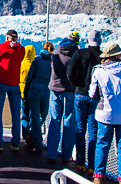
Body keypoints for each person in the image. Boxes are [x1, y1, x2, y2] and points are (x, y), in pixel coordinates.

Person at [90, 42, 121, 184]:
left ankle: (98, 176)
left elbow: (93, 94)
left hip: (105, 114)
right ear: (119, 55)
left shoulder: (99, 70)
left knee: (102, 144)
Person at [67, 30, 102, 175]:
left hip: (80, 94)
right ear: (99, 41)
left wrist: (77, 85)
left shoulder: (80, 54)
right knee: (93, 131)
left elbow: (69, 72)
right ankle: (92, 166)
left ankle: (80, 163)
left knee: (80, 129)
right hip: (95, 97)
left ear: (87, 41)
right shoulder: (102, 56)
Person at [47, 31, 80, 164]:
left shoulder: (55, 52)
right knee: (68, 123)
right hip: (69, 91)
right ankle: (66, 156)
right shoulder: (76, 55)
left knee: (54, 121)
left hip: (55, 90)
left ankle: (51, 154)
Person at [0, 29, 25, 152]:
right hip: (15, 84)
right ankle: (15, 143)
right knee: (16, 114)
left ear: (7, 37)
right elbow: (20, 59)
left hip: (1, 83)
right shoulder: (22, 49)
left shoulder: (0, 47)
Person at [24, 42, 54, 152]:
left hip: (33, 90)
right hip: (45, 91)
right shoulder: (52, 62)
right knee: (43, 115)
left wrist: (25, 92)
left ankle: (33, 137)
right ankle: (37, 142)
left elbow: (29, 77)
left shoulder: (36, 60)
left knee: (35, 117)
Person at [19, 45, 36, 146]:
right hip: (32, 92)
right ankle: (31, 134)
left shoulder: (21, 63)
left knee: (24, 115)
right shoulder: (34, 64)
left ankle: (25, 134)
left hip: (22, 92)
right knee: (32, 114)